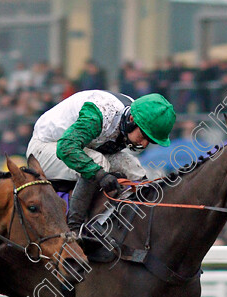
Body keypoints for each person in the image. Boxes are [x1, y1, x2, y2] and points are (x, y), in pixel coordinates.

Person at [26, 91, 175, 233]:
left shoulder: (135, 112)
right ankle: (74, 228)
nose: (143, 145)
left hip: (83, 146)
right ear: (131, 120)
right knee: (98, 162)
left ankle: (145, 217)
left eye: (150, 141)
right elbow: (66, 148)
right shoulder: (98, 114)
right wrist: (101, 175)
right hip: (45, 149)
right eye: (143, 136)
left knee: (133, 167)